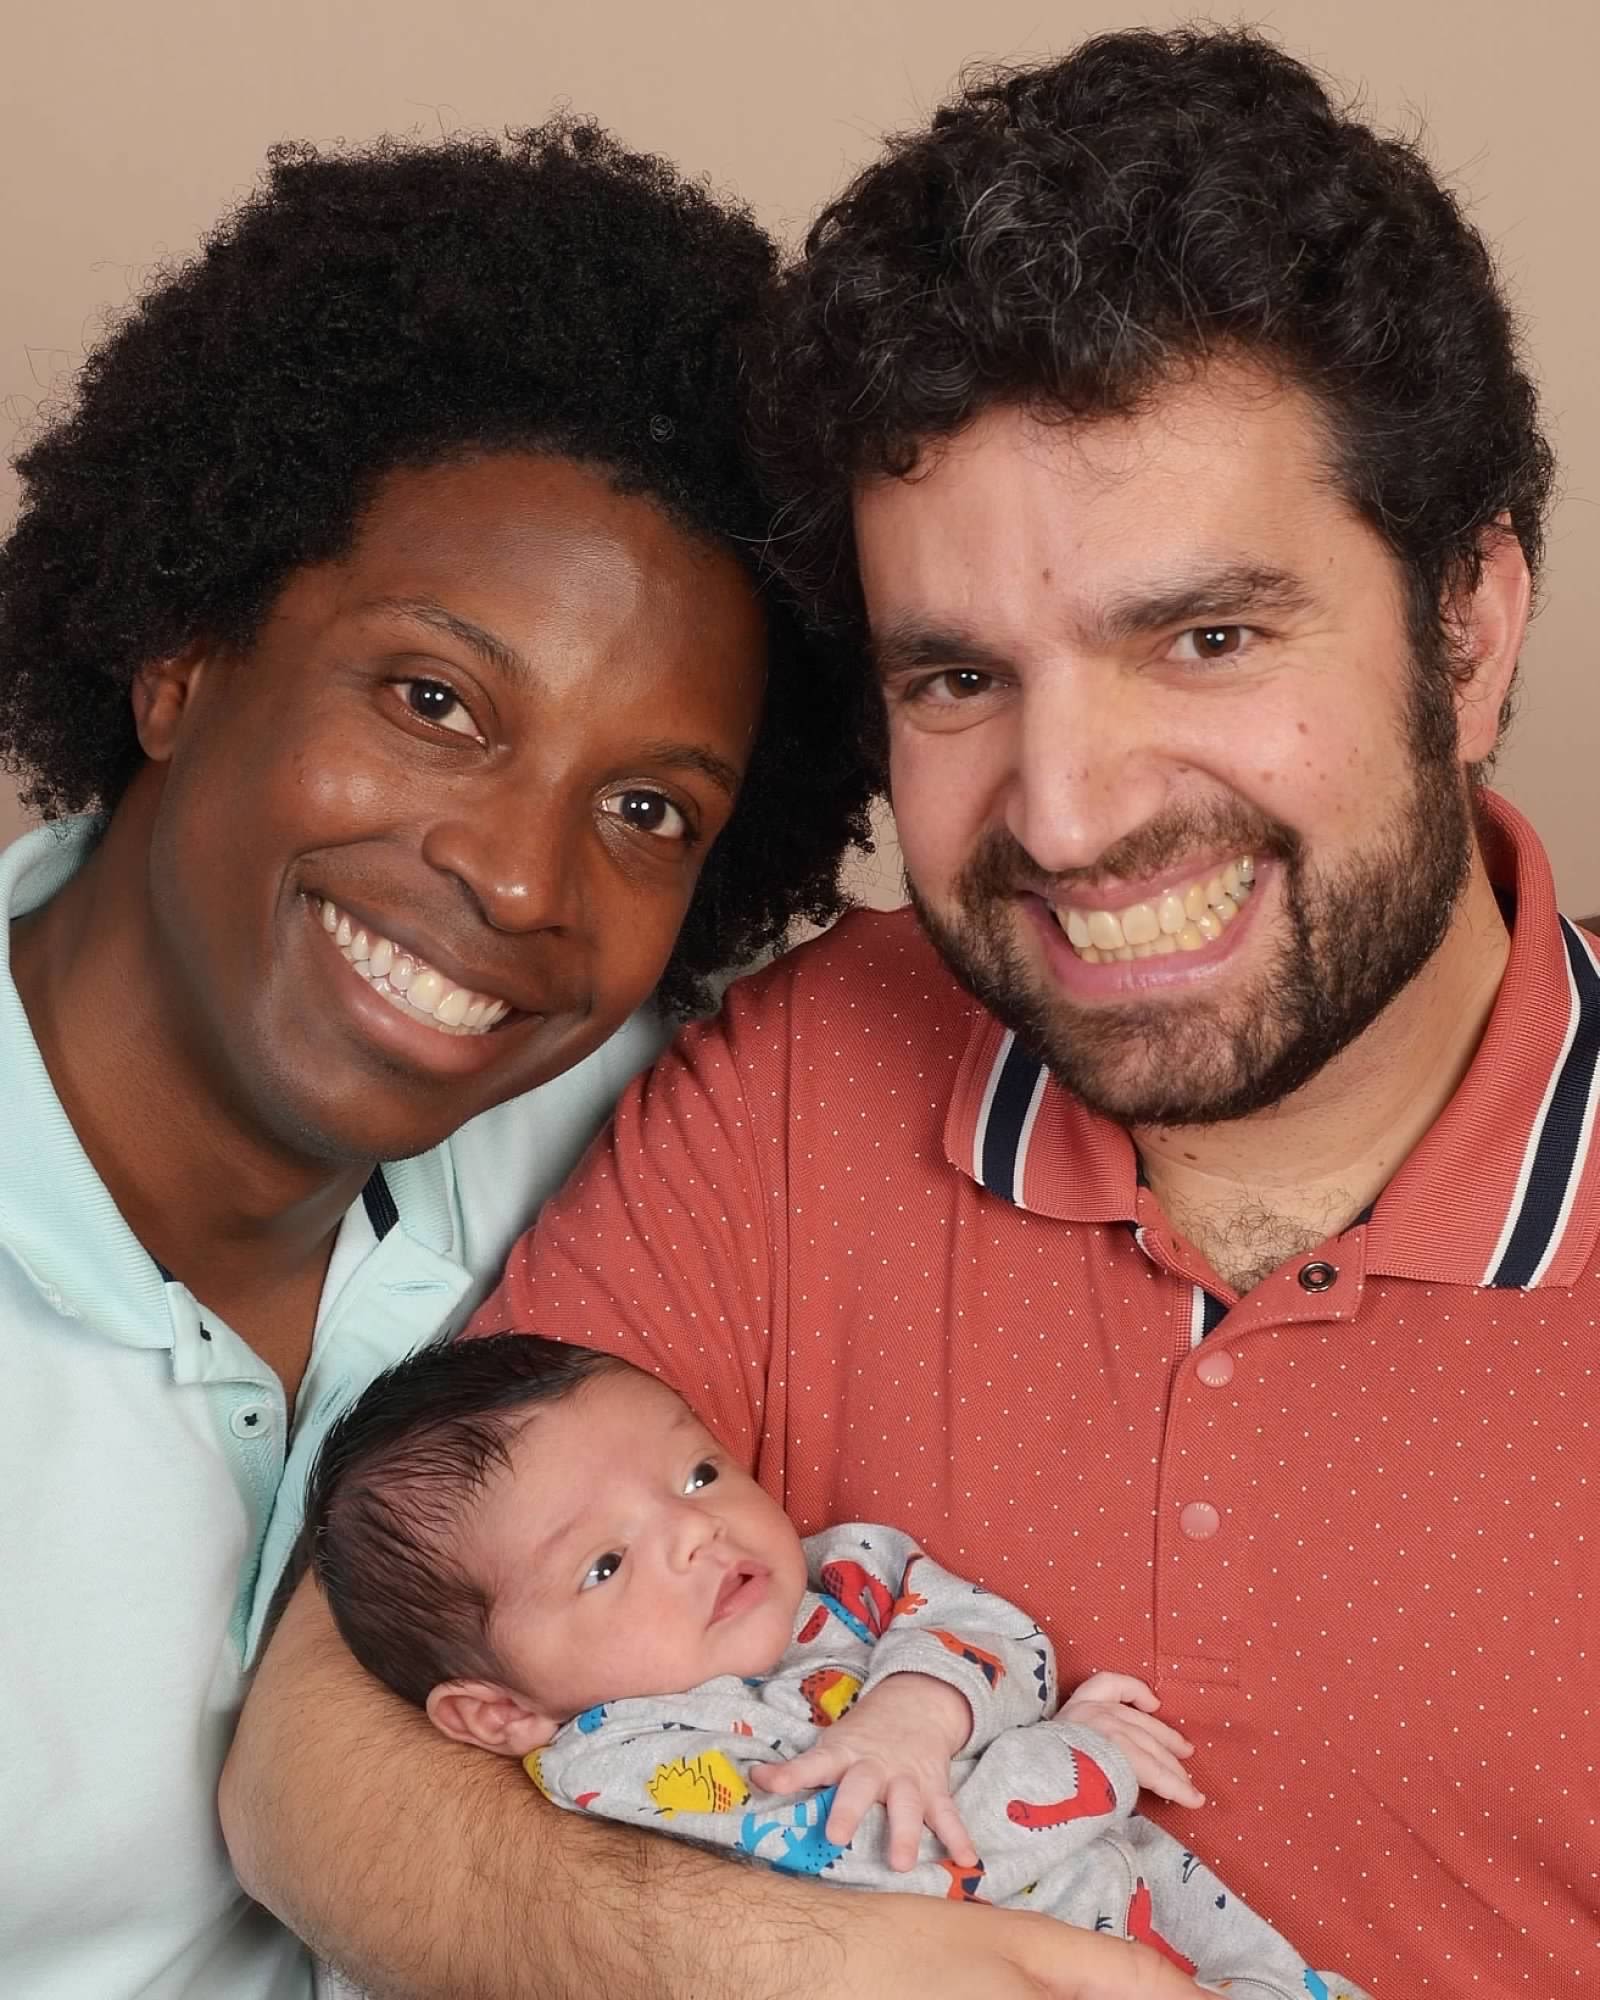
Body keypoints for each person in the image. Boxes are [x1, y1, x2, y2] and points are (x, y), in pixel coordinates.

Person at [224, 26, 1595, 2000]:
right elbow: (314, 1760)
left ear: (1466, 632)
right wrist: (836, 1967)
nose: (1067, 814)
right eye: (957, 680)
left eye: (1203, 637)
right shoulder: (811, 1072)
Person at [0, 123, 872, 1999]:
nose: (524, 879)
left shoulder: (653, 1129)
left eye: (647, 808)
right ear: (183, 651)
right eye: (435, 701)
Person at [305, 1332, 1369, 2000]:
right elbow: (905, 1865)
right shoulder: (625, 1763)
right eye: (605, 1563)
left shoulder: (847, 1574)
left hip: (1178, 1936)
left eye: (697, 1471)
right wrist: (1084, 1755)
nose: (695, 1530)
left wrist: (917, 1709)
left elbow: (997, 1631)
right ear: (498, 1711)